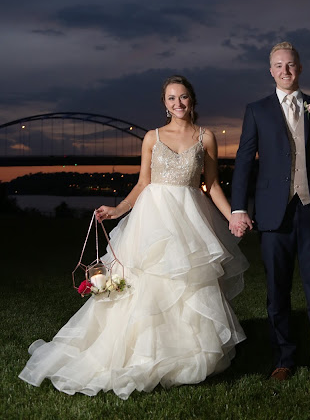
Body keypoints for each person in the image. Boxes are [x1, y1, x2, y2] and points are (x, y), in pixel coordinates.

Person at [19, 75, 248, 399]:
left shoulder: (206, 137)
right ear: (164, 103)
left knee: (186, 286)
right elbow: (142, 183)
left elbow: (211, 185)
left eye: (183, 97)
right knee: (144, 284)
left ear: (192, 100)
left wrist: (233, 216)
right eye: (171, 98)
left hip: (189, 217)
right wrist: (118, 209)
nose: (178, 104)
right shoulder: (152, 138)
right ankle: (137, 354)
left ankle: (182, 358)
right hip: (152, 218)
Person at [229, 42, 310, 384]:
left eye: (290, 64)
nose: (285, 70)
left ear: (299, 67)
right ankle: (284, 359)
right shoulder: (256, 110)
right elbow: (244, 161)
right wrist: (239, 207)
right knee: (277, 292)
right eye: (278, 65)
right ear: (270, 71)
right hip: (273, 215)